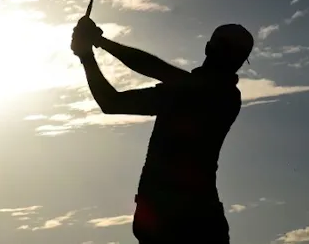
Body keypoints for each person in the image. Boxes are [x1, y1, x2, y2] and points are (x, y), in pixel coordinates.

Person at [71, 16, 253, 244]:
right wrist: (91, 50)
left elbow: (129, 88)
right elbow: (111, 102)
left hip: (175, 221)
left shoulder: (208, 95)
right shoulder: (207, 95)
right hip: (192, 220)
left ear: (208, 48)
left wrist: (93, 49)